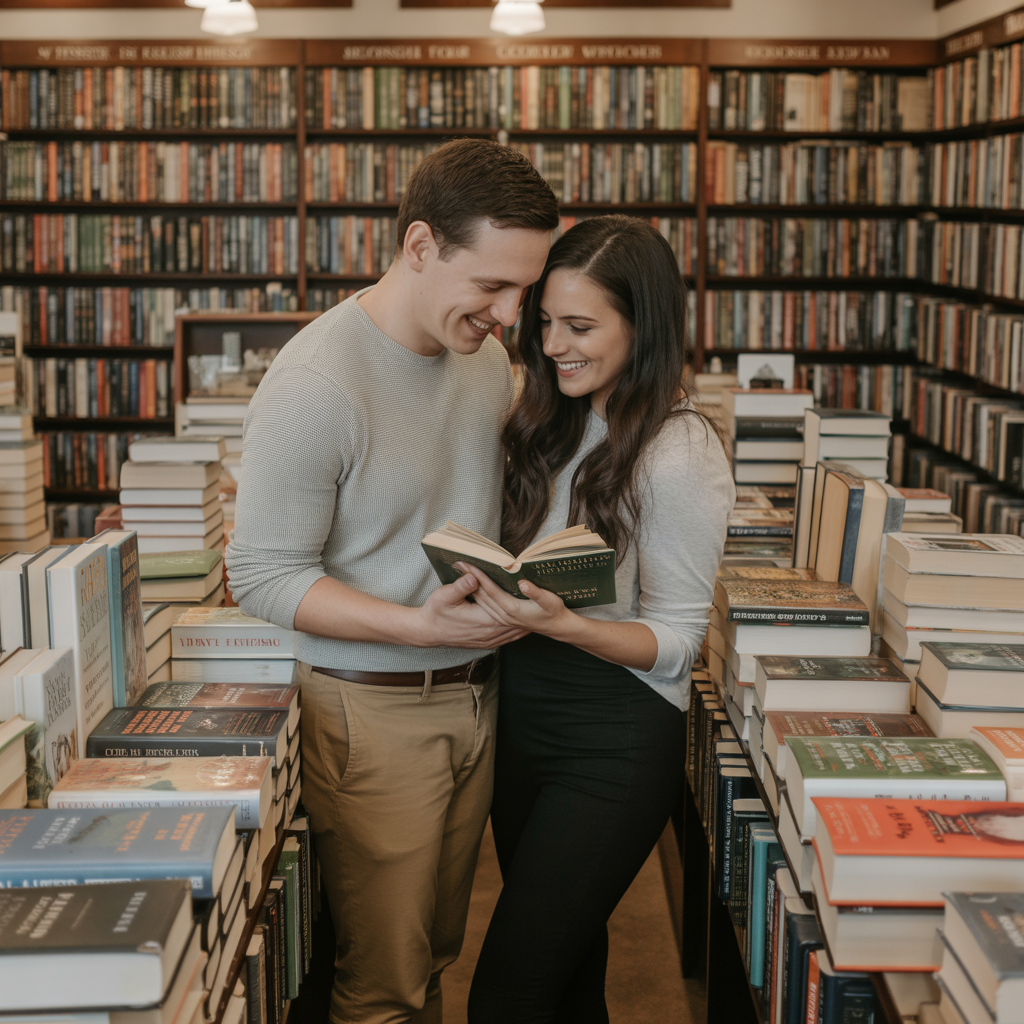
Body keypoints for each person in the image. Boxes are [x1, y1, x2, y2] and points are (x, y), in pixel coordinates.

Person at [225, 138, 559, 1024]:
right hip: (370, 710)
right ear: (419, 246)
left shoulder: (482, 359)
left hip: (479, 691)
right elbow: (261, 575)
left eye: (524, 290)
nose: (510, 314)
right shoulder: (315, 382)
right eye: (493, 285)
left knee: (434, 953)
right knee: (384, 987)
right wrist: (418, 627)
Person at [463, 215, 735, 1023]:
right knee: (566, 978)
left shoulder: (680, 454)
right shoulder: (550, 418)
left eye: (579, 327)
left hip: (613, 737)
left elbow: (678, 642)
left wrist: (563, 623)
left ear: (641, 327)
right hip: (521, 716)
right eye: (546, 322)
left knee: (506, 996)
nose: (552, 346)